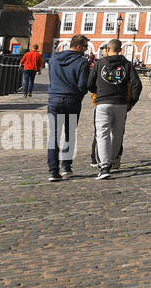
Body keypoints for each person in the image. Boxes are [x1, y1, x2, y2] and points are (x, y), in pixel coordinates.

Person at [84, 39, 142, 180]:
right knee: (117, 134)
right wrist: (131, 102)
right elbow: (137, 85)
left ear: (108, 49)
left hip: (103, 102)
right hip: (121, 104)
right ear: (120, 49)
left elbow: (89, 84)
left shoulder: (99, 64)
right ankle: (112, 159)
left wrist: (98, 91)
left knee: (102, 134)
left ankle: (104, 167)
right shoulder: (127, 65)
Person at [45, 35, 90, 182]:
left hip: (54, 99)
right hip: (72, 99)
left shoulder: (53, 59)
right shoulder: (82, 62)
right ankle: (66, 166)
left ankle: (53, 171)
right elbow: (83, 85)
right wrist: (79, 94)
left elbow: (51, 78)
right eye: (85, 47)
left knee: (54, 135)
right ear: (78, 46)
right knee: (70, 134)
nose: (86, 49)